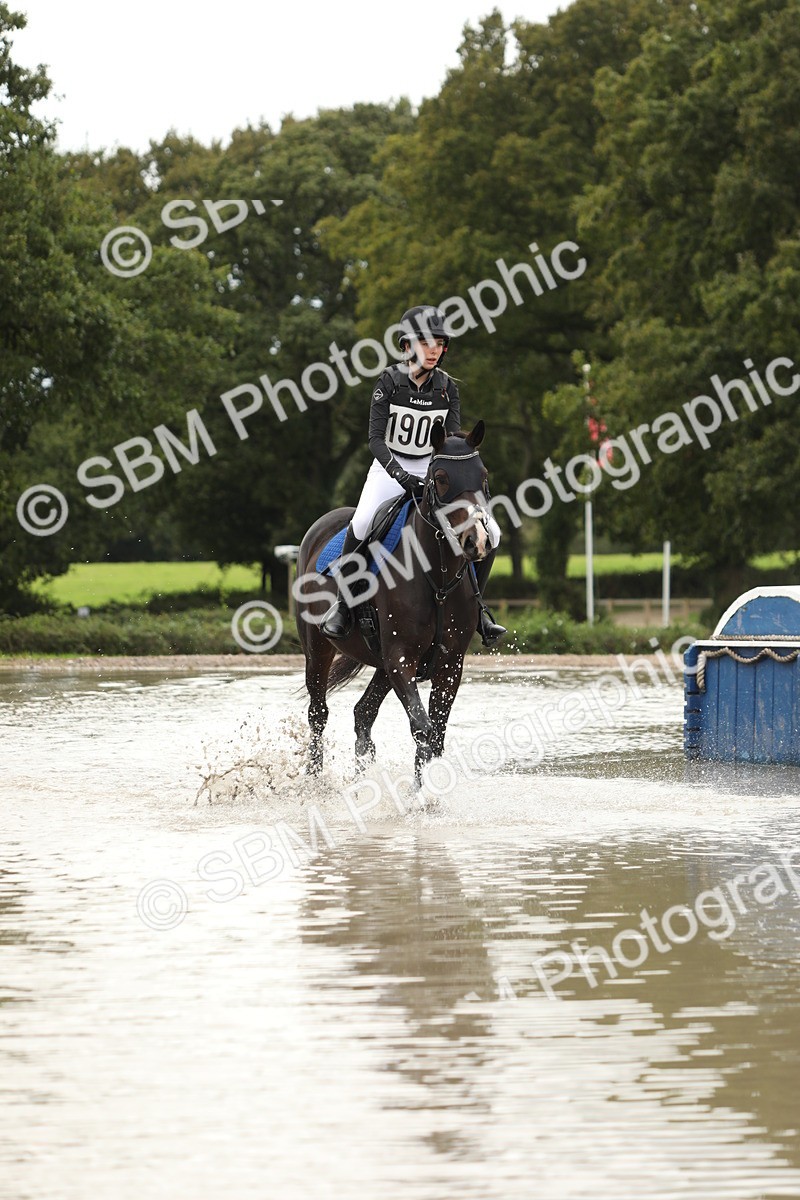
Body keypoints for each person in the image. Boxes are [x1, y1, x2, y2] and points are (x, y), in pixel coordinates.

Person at [321, 305, 507, 646]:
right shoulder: (389, 382)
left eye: (438, 342)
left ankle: (478, 608)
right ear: (407, 347)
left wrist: (449, 472)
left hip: (433, 468)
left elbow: (450, 442)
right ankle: (343, 606)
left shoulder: (447, 388)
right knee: (362, 523)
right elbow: (376, 439)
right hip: (389, 466)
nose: (433, 349)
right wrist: (399, 475)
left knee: (490, 531)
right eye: (425, 342)